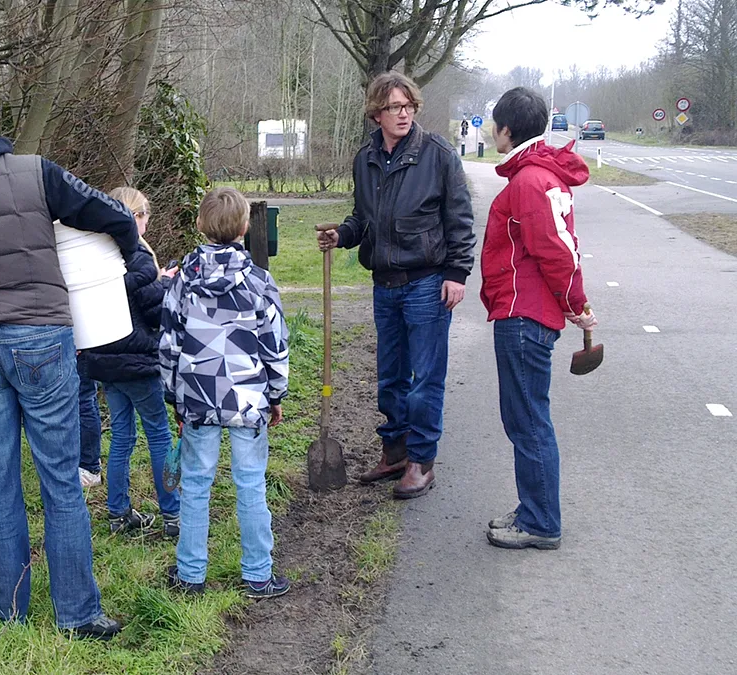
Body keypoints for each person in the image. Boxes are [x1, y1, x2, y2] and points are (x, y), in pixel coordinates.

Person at [0, 81, 148, 639]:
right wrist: (126, 261)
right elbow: (116, 216)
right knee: (60, 480)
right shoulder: (36, 173)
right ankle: (78, 614)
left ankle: (7, 613)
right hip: (40, 339)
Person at [316, 71, 475, 499]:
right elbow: (363, 218)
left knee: (425, 379)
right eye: (394, 107)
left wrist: (457, 273)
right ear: (376, 113)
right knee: (390, 378)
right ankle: (396, 451)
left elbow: (460, 219)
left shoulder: (438, 155)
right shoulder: (365, 158)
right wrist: (342, 236)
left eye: (408, 106)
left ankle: (422, 462)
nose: (403, 114)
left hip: (427, 282)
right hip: (384, 284)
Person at [160, 186, 291, 599]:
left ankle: (190, 575)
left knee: (196, 485)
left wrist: (174, 397)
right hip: (247, 400)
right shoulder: (259, 282)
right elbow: (275, 346)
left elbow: (168, 346)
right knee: (250, 484)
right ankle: (258, 575)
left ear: (200, 224)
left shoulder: (182, 282)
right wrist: (276, 395)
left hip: (198, 399)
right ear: (245, 227)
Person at [482, 87, 595, 550]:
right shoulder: (535, 175)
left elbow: (557, 251)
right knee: (525, 417)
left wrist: (576, 305)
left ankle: (541, 521)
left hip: (524, 317)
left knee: (528, 421)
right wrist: (574, 305)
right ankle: (533, 507)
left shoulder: (530, 181)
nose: (492, 132)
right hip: (524, 313)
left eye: (494, 125)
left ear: (506, 129)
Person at [79, 187, 180, 538]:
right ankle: (173, 513)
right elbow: (154, 314)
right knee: (159, 435)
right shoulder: (139, 258)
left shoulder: (91, 255)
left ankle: (118, 513)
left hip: (103, 360)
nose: (147, 222)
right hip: (138, 361)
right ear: (135, 217)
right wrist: (165, 285)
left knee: (122, 436)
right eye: (145, 215)